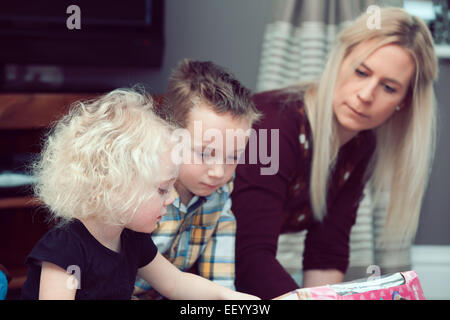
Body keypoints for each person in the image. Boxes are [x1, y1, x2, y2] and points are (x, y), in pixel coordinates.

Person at [232, 7, 438, 299]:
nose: (366, 95)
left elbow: (326, 254)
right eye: (361, 72)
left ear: (403, 103)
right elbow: (250, 257)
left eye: (389, 87)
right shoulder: (274, 125)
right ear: (339, 60)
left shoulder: (361, 144)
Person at [20, 88, 259, 300]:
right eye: (163, 189)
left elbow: (176, 284)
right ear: (117, 187)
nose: (172, 198)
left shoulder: (131, 239)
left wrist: (228, 296)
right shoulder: (66, 248)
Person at [134, 60, 261, 299]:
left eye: (233, 157)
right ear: (168, 135)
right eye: (204, 153)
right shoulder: (139, 190)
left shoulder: (220, 194)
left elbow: (222, 285)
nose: (218, 172)